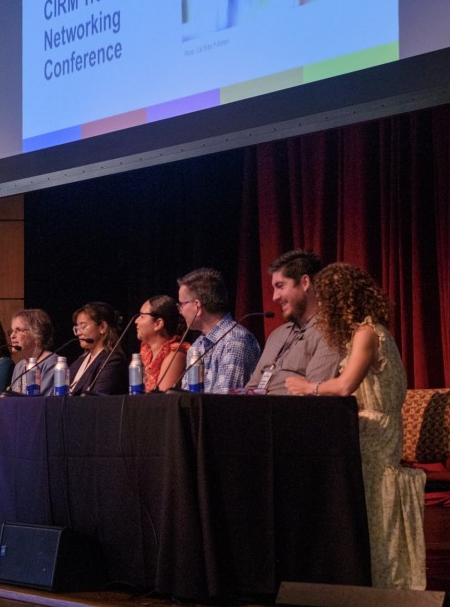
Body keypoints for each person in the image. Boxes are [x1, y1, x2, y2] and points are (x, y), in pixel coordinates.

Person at [285, 263, 426, 590]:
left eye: (323, 298)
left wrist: (310, 387)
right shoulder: (362, 332)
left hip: (376, 430)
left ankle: (368, 573)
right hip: (364, 425)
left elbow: (346, 385)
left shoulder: (367, 332)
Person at [245, 249, 342, 394]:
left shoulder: (330, 331)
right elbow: (251, 388)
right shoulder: (277, 335)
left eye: (280, 286)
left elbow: (315, 397)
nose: (274, 297)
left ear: (304, 283)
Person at [177, 267, 260, 392]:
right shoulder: (196, 347)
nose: (180, 311)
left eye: (182, 304)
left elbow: (225, 403)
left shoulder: (235, 341)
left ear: (197, 306)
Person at [68, 302, 127, 395]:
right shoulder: (79, 361)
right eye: (77, 328)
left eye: (83, 326)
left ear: (102, 327)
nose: (78, 333)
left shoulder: (113, 360)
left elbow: (98, 398)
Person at [134, 295, 189, 392]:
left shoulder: (176, 353)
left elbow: (162, 399)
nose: (136, 321)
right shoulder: (146, 352)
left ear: (158, 324)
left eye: (142, 316)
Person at [8, 308, 57, 395]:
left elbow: (44, 401)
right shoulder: (19, 367)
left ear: (36, 332)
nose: (12, 336)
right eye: (12, 331)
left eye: (18, 330)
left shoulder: (51, 362)